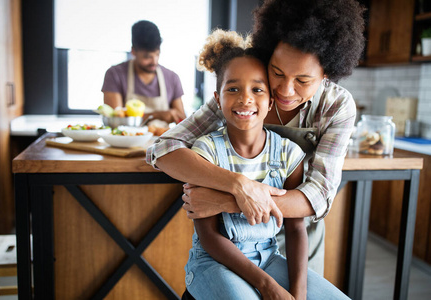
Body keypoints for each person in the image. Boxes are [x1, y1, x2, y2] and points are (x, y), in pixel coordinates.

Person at [147, 0, 365, 275]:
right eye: (277, 73)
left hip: (297, 232)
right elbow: (163, 148)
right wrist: (238, 185)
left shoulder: (337, 106)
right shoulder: (246, 92)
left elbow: (319, 195)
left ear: (327, 74)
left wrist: (227, 200)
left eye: (303, 80)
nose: (285, 90)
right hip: (233, 240)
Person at [185, 29, 348, 300]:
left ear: (269, 101)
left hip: (270, 257)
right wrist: (267, 285)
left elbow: (298, 225)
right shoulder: (206, 151)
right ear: (217, 99)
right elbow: (210, 238)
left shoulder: (288, 153)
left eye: (257, 89)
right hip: (213, 262)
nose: (245, 98)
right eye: (233, 89)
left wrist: (297, 295)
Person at [101, 20, 186, 124]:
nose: (154, 62)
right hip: (127, 139)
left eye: (157, 54)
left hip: (163, 139)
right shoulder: (115, 74)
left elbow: (182, 120)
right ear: (133, 51)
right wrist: (157, 115)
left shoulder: (172, 78)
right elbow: (117, 120)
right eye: (147, 57)